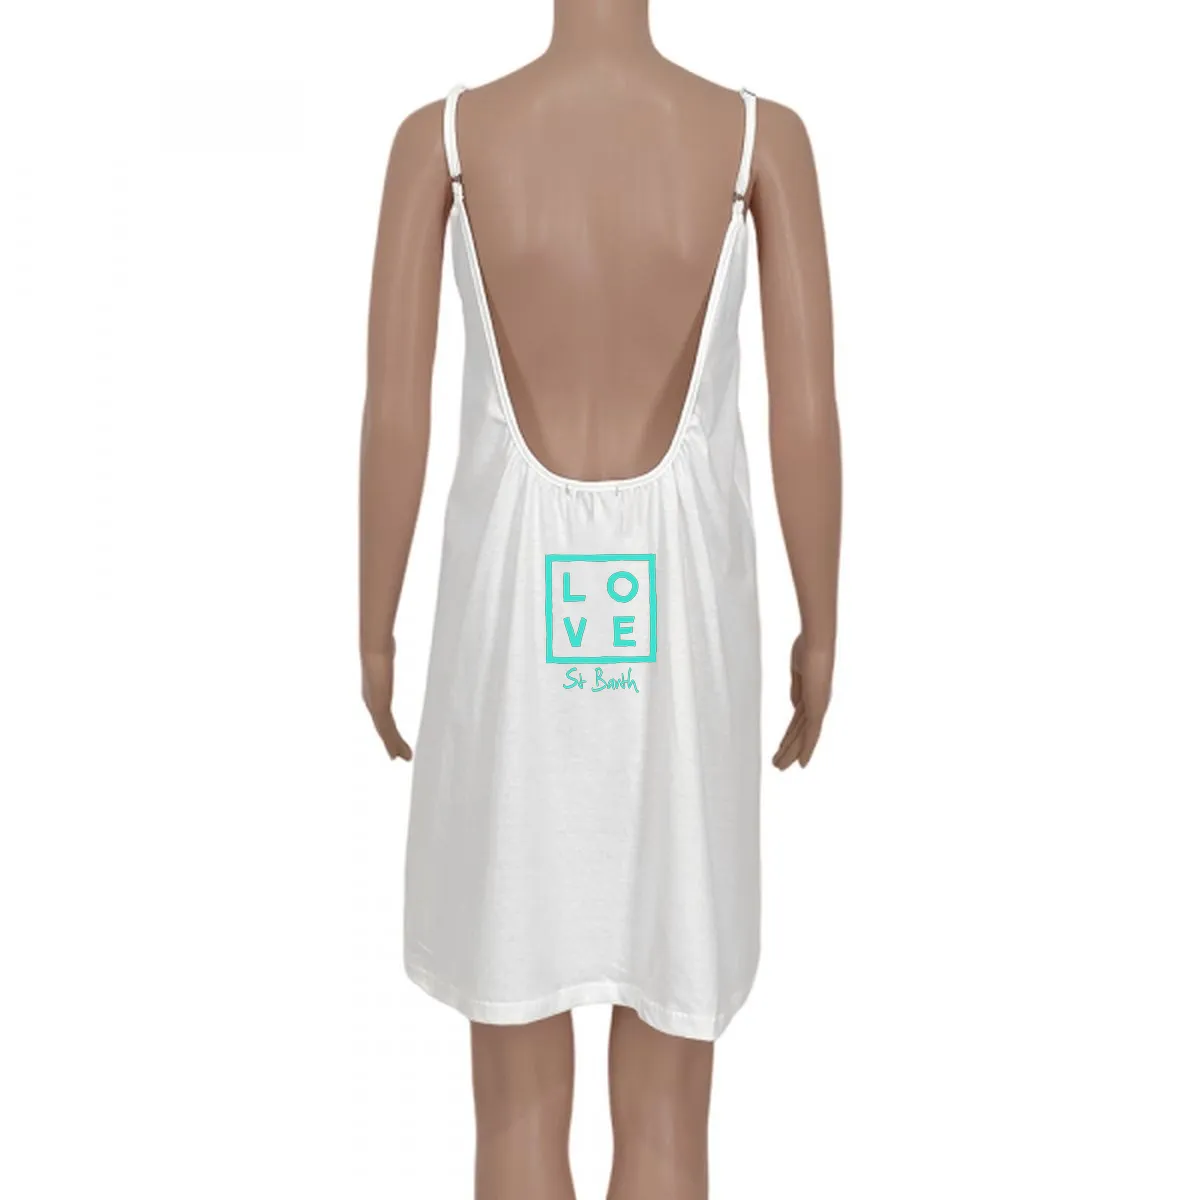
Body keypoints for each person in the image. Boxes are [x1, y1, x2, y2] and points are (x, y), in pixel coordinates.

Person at [358, 3, 841, 1195]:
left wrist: (373, 630)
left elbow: (393, 414)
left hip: (503, 642)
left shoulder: (446, 141)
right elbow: (809, 417)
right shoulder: (756, 142)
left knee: (514, 1110)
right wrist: (821, 629)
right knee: (669, 1110)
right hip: (688, 647)